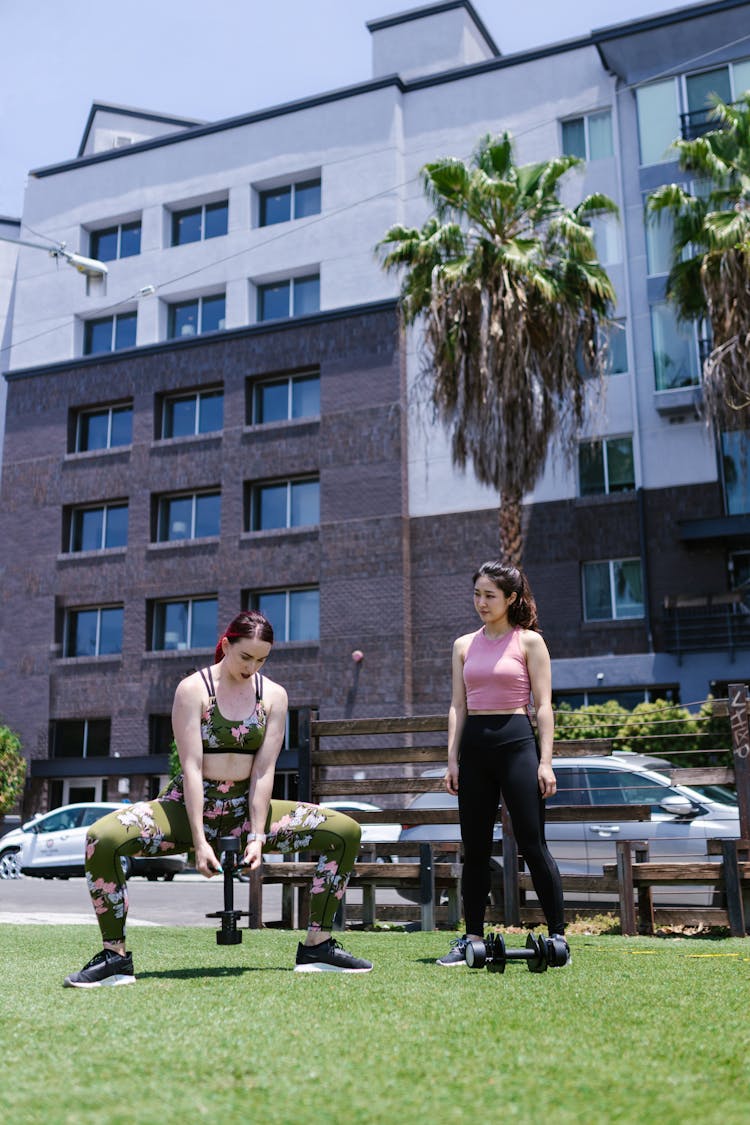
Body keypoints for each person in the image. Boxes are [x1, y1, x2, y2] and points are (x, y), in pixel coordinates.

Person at [64, 610, 372, 987]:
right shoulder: (193, 689)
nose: (252, 666)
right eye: (245, 657)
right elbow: (192, 768)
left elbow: (263, 771)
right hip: (187, 807)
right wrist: (198, 841)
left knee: (346, 831)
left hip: (248, 810)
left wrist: (258, 837)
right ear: (226, 645)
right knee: (103, 837)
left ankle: (317, 946)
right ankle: (115, 956)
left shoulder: (274, 696)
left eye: (261, 659)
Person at [436, 561, 569, 967]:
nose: (481, 602)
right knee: (474, 848)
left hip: (517, 744)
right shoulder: (463, 645)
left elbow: (544, 707)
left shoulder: (529, 642)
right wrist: (452, 761)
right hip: (474, 749)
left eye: (489, 595)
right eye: (476, 594)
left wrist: (545, 762)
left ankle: (558, 937)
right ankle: (470, 936)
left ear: (511, 598)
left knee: (532, 843)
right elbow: (458, 705)